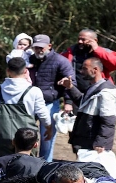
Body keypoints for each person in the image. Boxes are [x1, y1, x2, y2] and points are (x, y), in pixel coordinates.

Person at [0, 57, 51, 158]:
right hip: (27, 137)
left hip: (2, 135)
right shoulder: (34, 91)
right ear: (26, 71)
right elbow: (43, 114)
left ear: (8, 71)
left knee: (3, 166)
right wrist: (48, 128)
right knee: (27, 166)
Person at [60, 58, 116, 156]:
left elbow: (108, 121)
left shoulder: (106, 93)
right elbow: (83, 103)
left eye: (85, 69)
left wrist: (101, 142)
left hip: (95, 145)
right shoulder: (94, 87)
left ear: (95, 70)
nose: (81, 71)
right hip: (87, 140)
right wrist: (70, 87)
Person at [29, 34, 75, 162]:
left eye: (41, 47)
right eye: (36, 47)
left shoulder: (61, 61)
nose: (38, 50)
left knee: (47, 137)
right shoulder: (30, 59)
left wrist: (68, 102)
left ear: (49, 46)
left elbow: (70, 82)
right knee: (27, 133)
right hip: (30, 102)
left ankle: (45, 165)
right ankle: (28, 163)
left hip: (49, 103)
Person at [61, 29, 116, 94]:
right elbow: (57, 62)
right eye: (79, 39)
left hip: (100, 92)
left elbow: (115, 64)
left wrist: (97, 50)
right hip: (77, 94)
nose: (80, 42)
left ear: (95, 40)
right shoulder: (71, 52)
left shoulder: (103, 52)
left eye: (83, 39)